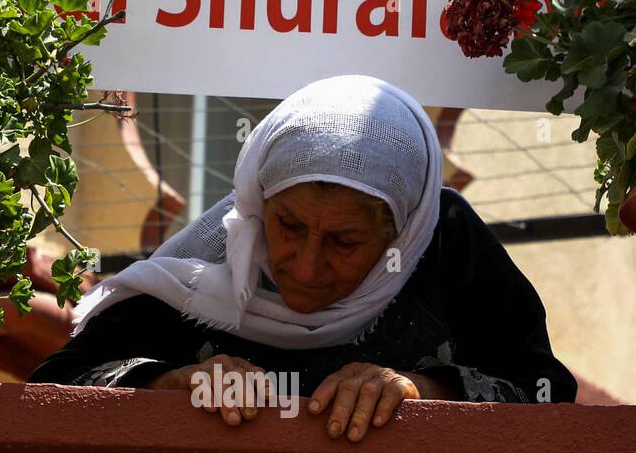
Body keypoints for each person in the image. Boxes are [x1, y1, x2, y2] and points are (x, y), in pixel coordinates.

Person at [30, 76, 577, 434]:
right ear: (257, 198)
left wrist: (425, 390)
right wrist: (170, 381)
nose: (305, 266)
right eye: (287, 225)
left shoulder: (445, 240)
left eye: (344, 242)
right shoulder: (214, 261)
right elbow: (56, 386)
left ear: (402, 232)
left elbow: (545, 396)